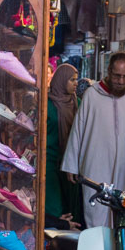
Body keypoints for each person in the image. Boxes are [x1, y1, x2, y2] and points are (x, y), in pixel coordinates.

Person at [63, 52, 125, 229]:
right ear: (108, 71)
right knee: (97, 211)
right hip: (96, 165)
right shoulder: (92, 95)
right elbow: (78, 130)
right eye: (117, 76)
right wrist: (72, 164)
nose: (121, 81)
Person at [45, 64, 82, 226]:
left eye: (76, 80)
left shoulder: (78, 103)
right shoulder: (47, 104)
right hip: (50, 162)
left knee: (71, 207)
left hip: (71, 163)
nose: (75, 83)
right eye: (71, 80)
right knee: (54, 206)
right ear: (61, 80)